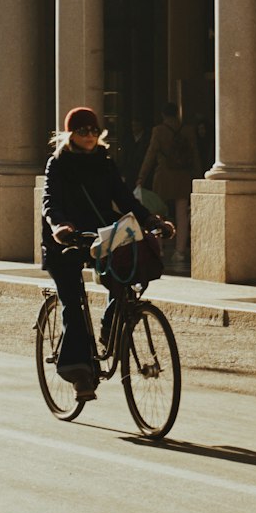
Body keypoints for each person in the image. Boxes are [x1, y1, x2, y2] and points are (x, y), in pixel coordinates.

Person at [42, 106, 172, 398]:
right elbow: (50, 201)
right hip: (66, 239)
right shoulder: (58, 163)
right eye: (81, 131)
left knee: (127, 277)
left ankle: (109, 326)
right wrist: (59, 226)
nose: (88, 136)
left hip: (102, 234)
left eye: (93, 130)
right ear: (70, 134)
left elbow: (124, 198)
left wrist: (151, 220)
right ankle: (79, 373)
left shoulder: (104, 161)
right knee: (73, 302)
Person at [137, 101, 201, 265]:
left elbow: (150, 156)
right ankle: (180, 252)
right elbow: (194, 155)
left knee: (159, 213)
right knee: (182, 213)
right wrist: (198, 176)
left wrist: (141, 177)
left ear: (163, 115)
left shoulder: (159, 131)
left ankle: (159, 248)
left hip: (164, 175)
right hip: (183, 176)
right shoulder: (188, 131)